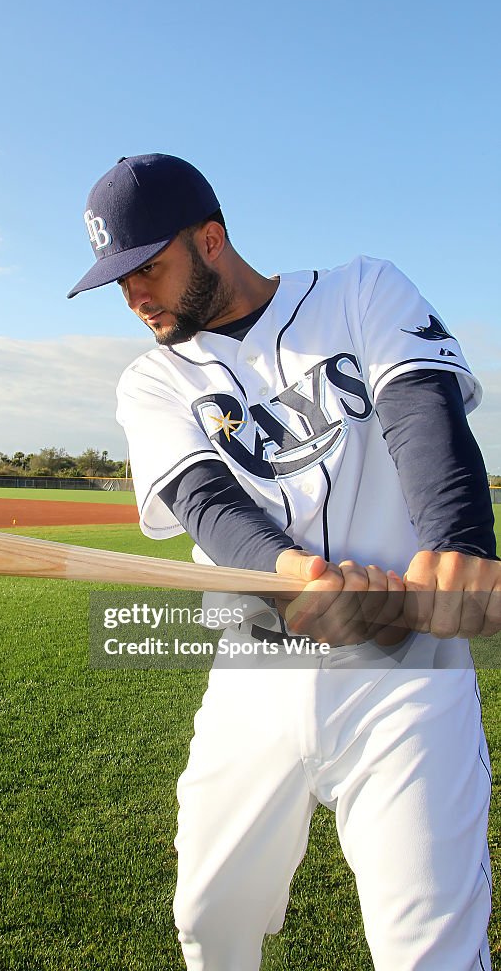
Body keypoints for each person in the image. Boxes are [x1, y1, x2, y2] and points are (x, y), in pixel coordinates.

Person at [68, 154, 498, 970]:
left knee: (427, 953)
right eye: (117, 284)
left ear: (212, 239)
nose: (135, 297)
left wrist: (456, 545)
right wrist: (289, 576)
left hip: (406, 677)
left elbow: (419, 408)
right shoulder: (152, 381)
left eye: (147, 269)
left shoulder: (361, 291)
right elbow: (204, 502)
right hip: (254, 673)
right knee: (209, 920)